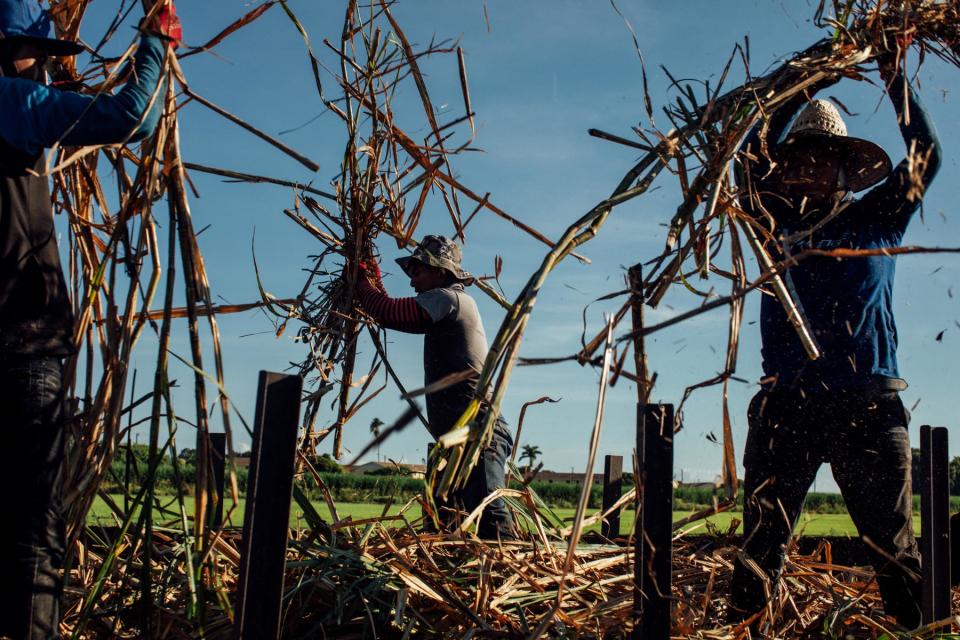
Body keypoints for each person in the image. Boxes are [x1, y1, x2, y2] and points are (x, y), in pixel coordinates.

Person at [731, 53, 941, 629]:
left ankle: (912, 630)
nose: (808, 170)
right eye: (797, 160)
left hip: (866, 403)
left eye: (822, 161)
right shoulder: (770, 222)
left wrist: (894, 74)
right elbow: (744, 162)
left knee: (893, 555)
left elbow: (928, 157)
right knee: (760, 549)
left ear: (846, 170)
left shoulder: (877, 218)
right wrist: (809, 82)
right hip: (787, 405)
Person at [0, 2, 179, 637]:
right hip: (20, 346)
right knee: (34, 527)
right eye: (36, 55)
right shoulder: (11, 102)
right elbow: (133, 114)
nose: (43, 68)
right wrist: (155, 45)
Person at [356, 235, 515, 539]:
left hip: (478, 434)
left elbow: (387, 311)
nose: (413, 282)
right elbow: (390, 308)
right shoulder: (442, 303)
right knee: (447, 523)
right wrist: (370, 276)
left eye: (418, 272)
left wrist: (361, 279)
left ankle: (505, 577)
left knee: (488, 517)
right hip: (455, 439)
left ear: (441, 272)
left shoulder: (450, 299)